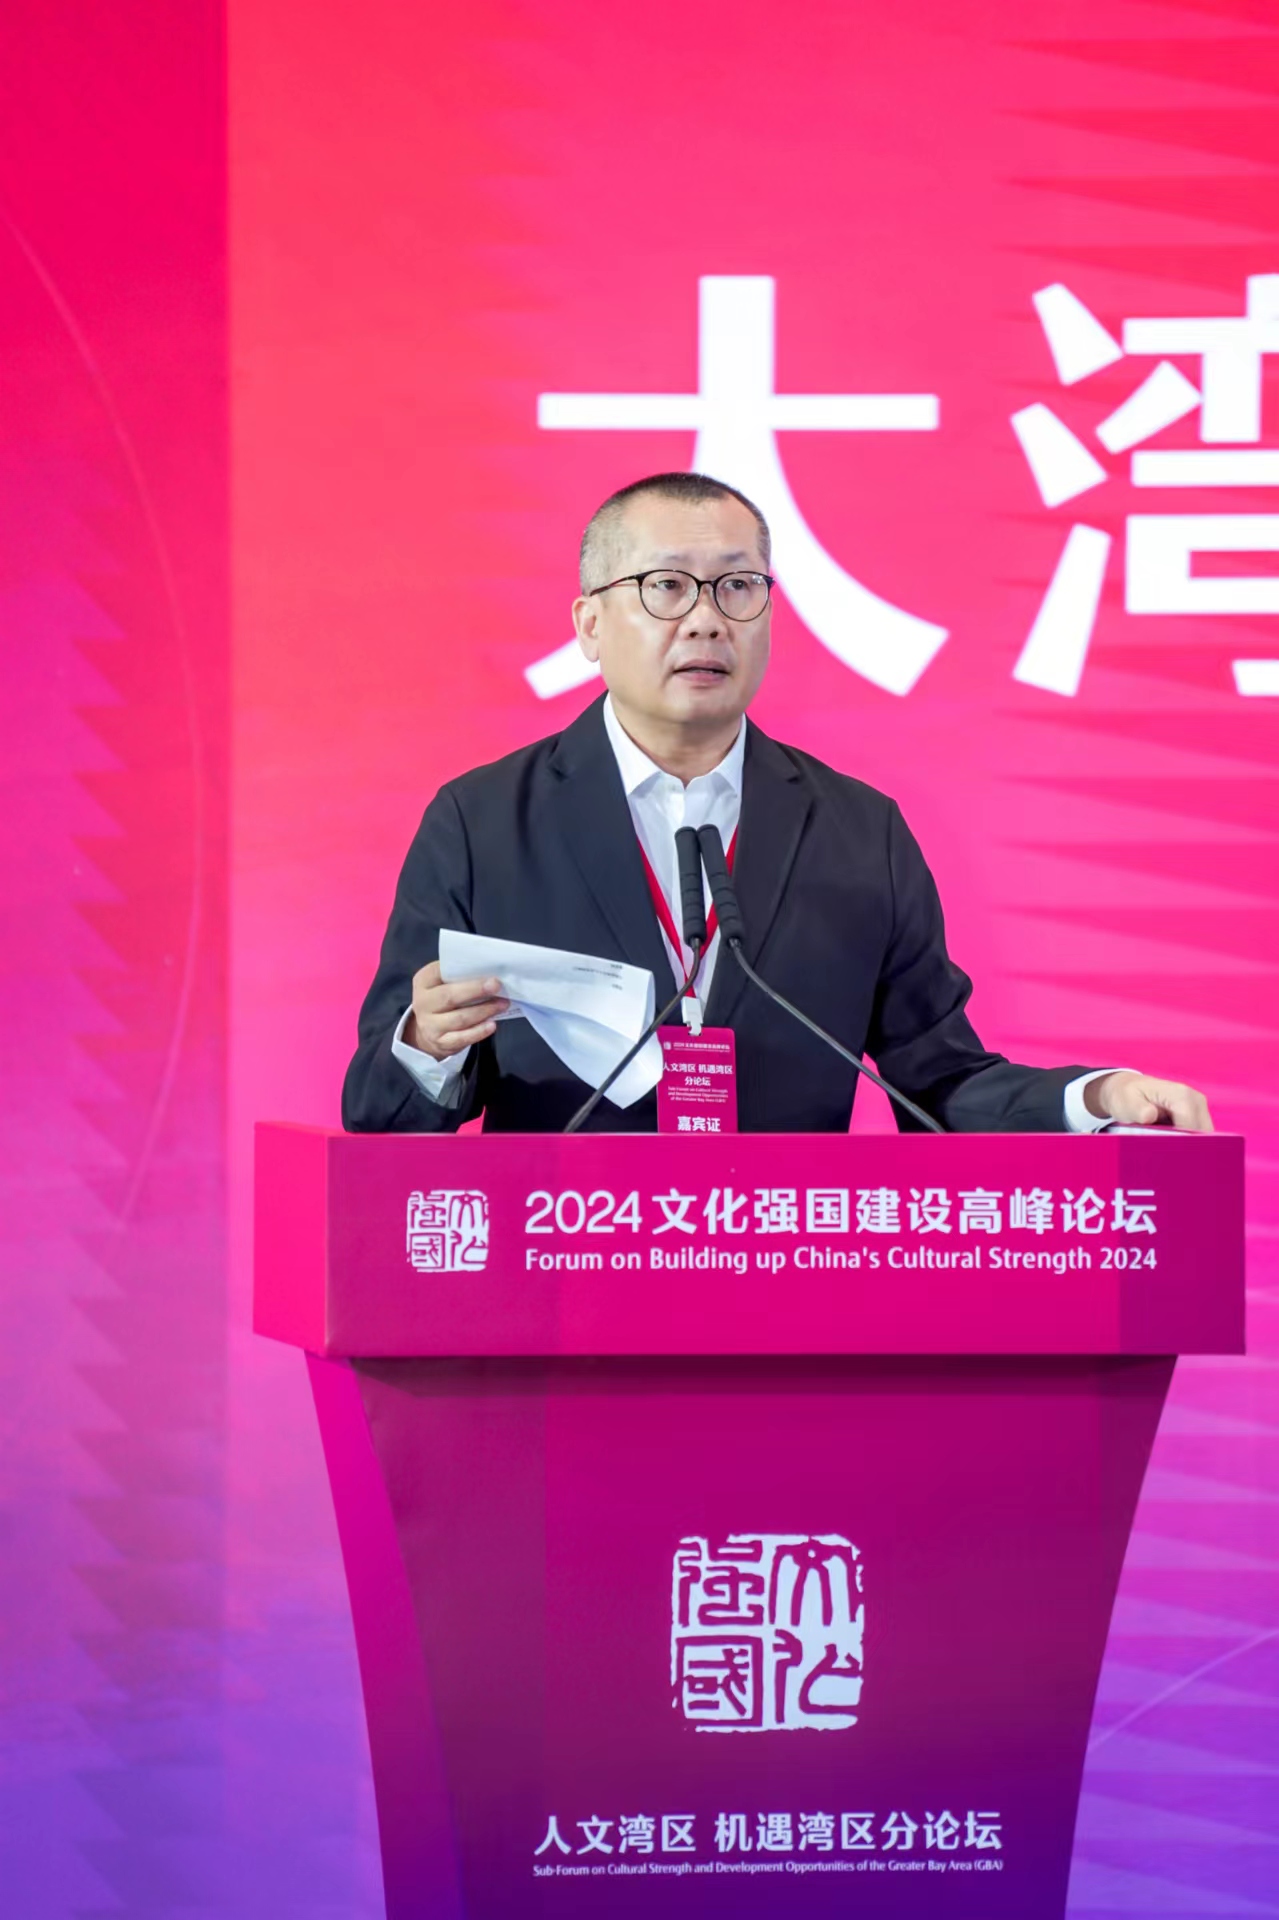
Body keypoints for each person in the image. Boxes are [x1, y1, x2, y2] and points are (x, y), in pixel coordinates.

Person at [343, 472, 1212, 1136]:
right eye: (665, 586)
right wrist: (426, 1043)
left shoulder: (857, 831)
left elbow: (939, 1081)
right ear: (589, 625)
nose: (705, 620)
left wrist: (1094, 1099)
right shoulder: (483, 822)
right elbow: (376, 1111)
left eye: (737, 587)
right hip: (560, 1269)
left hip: (785, 1274)